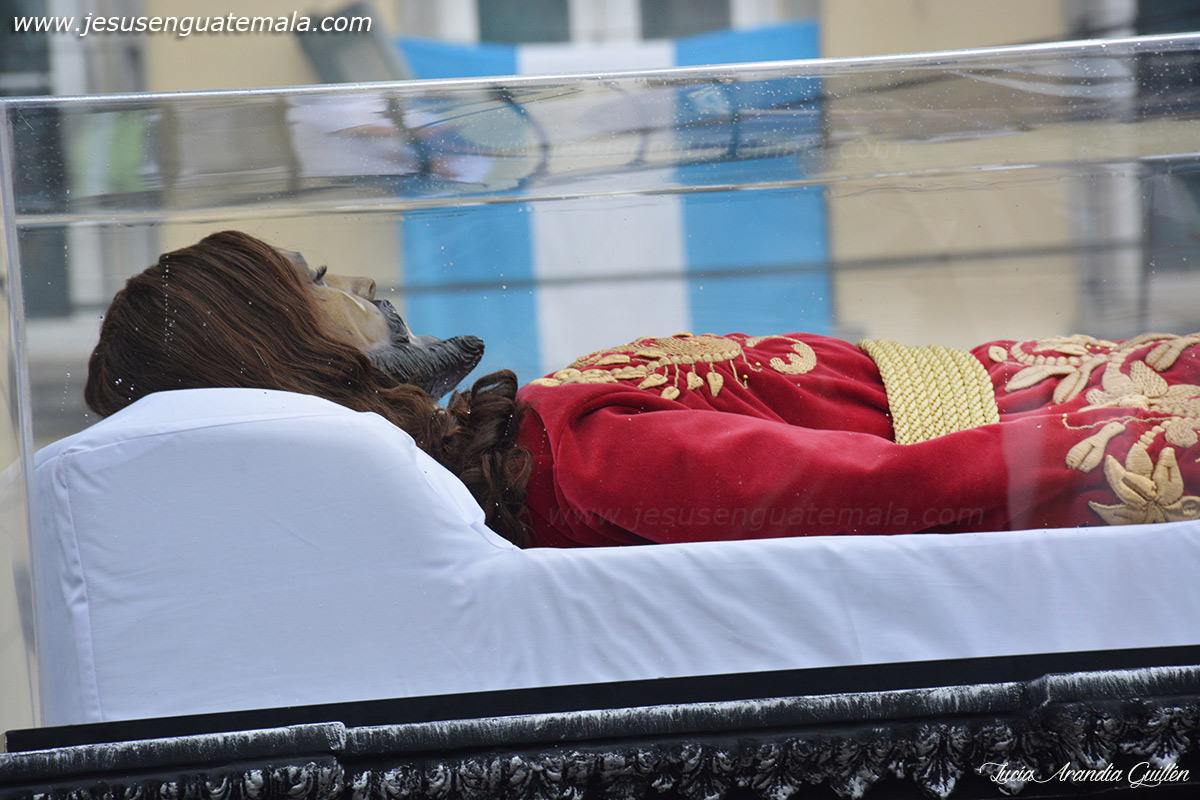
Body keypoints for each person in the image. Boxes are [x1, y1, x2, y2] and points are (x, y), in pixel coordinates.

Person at [84, 231, 1200, 548]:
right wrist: (1154, 442)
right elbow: (890, 489)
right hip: (1072, 424)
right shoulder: (565, 459)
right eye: (317, 283)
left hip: (1058, 385)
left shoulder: (543, 439)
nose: (361, 284)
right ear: (284, 346)